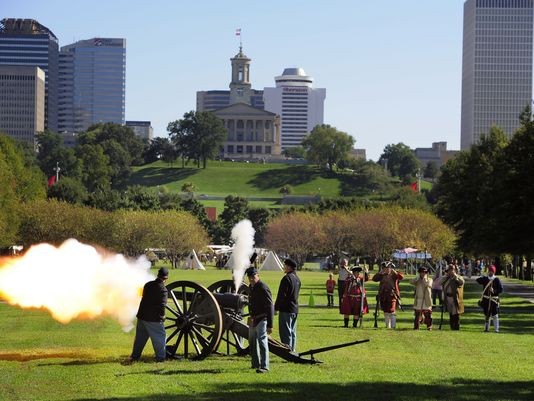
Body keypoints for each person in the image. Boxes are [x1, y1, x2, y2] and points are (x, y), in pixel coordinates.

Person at [128, 267, 169, 363]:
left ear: (158, 275)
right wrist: (162, 316)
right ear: (166, 278)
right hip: (153, 318)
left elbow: (144, 297)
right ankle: (160, 358)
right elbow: (162, 306)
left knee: (140, 338)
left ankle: (135, 356)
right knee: (160, 337)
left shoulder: (148, 284)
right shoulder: (163, 290)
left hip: (142, 315)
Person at [246, 266, 274, 373]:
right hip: (253, 319)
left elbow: (270, 306)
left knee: (262, 342)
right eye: (250, 277)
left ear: (258, 276)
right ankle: (255, 364)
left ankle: (265, 366)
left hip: (262, 318)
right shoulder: (251, 287)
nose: (252, 279)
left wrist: (270, 325)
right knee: (252, 342)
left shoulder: (263, 287)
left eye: (253, 276)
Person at [274, 258, 301, 352]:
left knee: (286, 332)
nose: (284, 267)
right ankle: (292, 350)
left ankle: (287, 351)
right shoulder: (297, 278)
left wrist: (276, 308)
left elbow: (281, 295)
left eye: (285, 265)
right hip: (295, 308)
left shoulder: (286, 278)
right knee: (292, 332)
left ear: (289, 267)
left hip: (286, 309)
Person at [372, 261, 404, 329]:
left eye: (388, 268)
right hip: (383, 294)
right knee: (385, 310)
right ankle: (388, 326)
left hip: (392, 294)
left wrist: (394, 272)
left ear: (391, 268)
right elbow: (374, 279)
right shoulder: (381, 275)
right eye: (385, 268)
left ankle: (393, 326)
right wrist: (380, 273)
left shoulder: (394, 274)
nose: (386, 269)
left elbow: (401, 277)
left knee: (392, 310)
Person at [476, 265, 503, 333]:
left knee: (495, 315)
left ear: (494, 272)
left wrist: (494, 291)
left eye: (491, 271)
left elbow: (501, 289)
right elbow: (478, 280)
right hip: (486, 300)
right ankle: (486, 328)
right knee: (486, 314)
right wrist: (483, 276)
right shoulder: (485, 279)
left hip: (494, 300)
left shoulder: (496, 279)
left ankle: (496, 329)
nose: (490, 272)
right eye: (489, 271)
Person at [441, 264, 465, 330]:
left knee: (456, 313)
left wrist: (455, 276)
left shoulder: (458, 277)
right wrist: (446, 276)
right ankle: (452, 326)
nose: (450, 271)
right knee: (451, 313)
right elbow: (440, 282)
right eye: (449, 270)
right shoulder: (446, 278)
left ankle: (456, 327)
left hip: (455, 298)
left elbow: (462, 282)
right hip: (448, 298)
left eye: (452, 270)